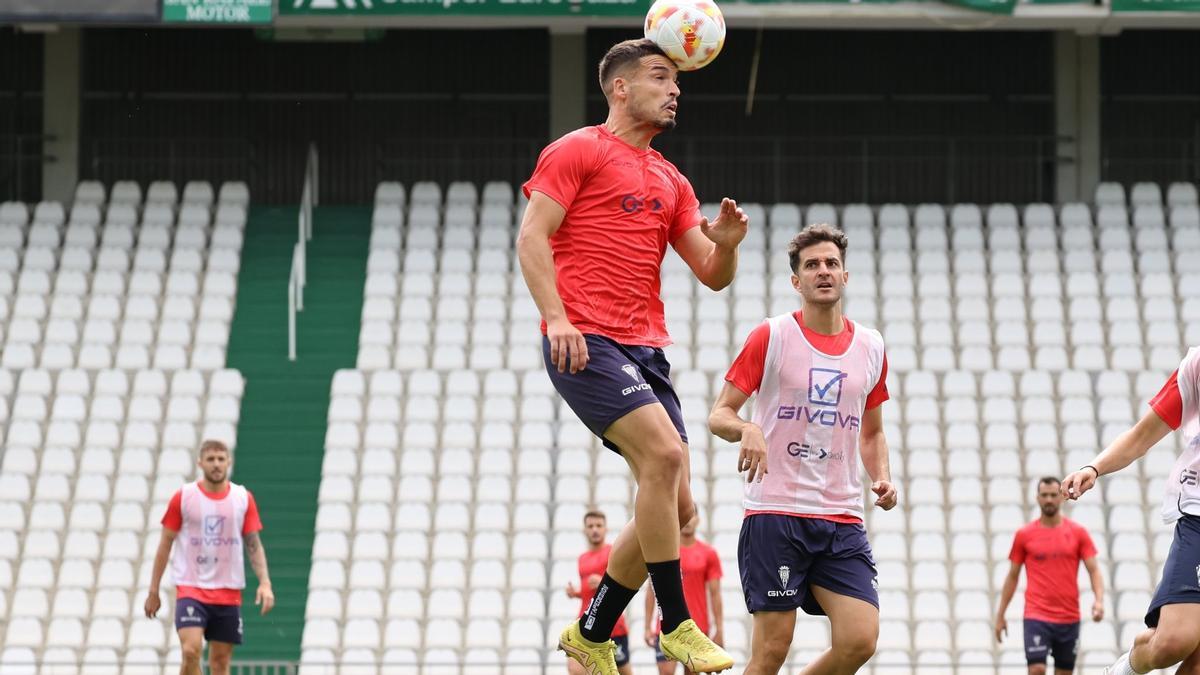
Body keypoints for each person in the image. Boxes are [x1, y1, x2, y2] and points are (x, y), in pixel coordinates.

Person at [517, 36, 748, 675]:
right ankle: (676, 622)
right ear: (620, 87)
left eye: (677, 80)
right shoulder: (578, 149)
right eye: (660, 76)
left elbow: (711, 272)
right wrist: (557, 317)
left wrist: (725, 244)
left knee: (678, 510)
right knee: (667, 455)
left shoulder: (671, 178)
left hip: (647, 347)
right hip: (584, 338)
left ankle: (592, 632)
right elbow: (532, 237)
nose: (675, 89)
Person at [708, 224, 896, 675]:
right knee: (772, 650)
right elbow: (720, 414)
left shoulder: (871, 346)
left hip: (841, 515)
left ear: (845, 276)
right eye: (812, 265)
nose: (823, 271)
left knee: (860, 638)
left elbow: (871, 433)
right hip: (776, 512)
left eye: (831, 263)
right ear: (797, 282)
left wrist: (882, 476)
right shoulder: (770, 336)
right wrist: (746, 428)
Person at [1062, 346, 1200, 675]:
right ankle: (1125, 668)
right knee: (1173, 643)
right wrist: (1093, 469)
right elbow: (1141, 436)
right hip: (1198, 519)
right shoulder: (1197, 366)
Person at [144, 440, 274, 675]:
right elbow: (165, 543)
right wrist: (154, 590)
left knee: (220, 663)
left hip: (228, 590)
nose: (216, 465)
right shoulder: (184, 497)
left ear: (228, 462)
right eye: (211, 459)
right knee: (191, 651)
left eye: (221, 459)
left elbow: (253, 543)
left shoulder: (242, 498)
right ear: (200, 462)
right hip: (192, 588)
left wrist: (265, 582)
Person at [994, 476, 1105, 675]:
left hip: (1069, 616)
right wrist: (1001, 614)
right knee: (1036, 669)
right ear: (1037, 498)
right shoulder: (1024, 535)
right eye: (1044, 495)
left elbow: (1094, 569)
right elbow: (1012, 576)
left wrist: (1099, 600)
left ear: (1061, 497)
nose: (1049, 500)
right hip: (1037, 615)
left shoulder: (1078, 533)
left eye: (1053, 495)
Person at [644, 513, 725, 675]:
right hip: (666, 625)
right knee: (666, 673)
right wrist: (647, 626)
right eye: (684, 516)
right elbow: (652, 589)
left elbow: (715, 594)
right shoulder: (665, 551)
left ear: (698, 519)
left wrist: (720, 628)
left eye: (692, 515)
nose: (688, 521)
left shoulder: (708, 553)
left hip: (697, 626)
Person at [567, 510, 635, 675]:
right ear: (585, 530)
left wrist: (605, 582)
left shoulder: (614, 552)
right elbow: (590, 591)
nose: (595, 529)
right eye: (590, 526)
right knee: (575, 669)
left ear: (606, 529)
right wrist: (576, 593)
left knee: (621, 671)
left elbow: (628, 581)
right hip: (586, 622)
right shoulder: (582, 558)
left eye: (599, 525)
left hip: (612, 625)